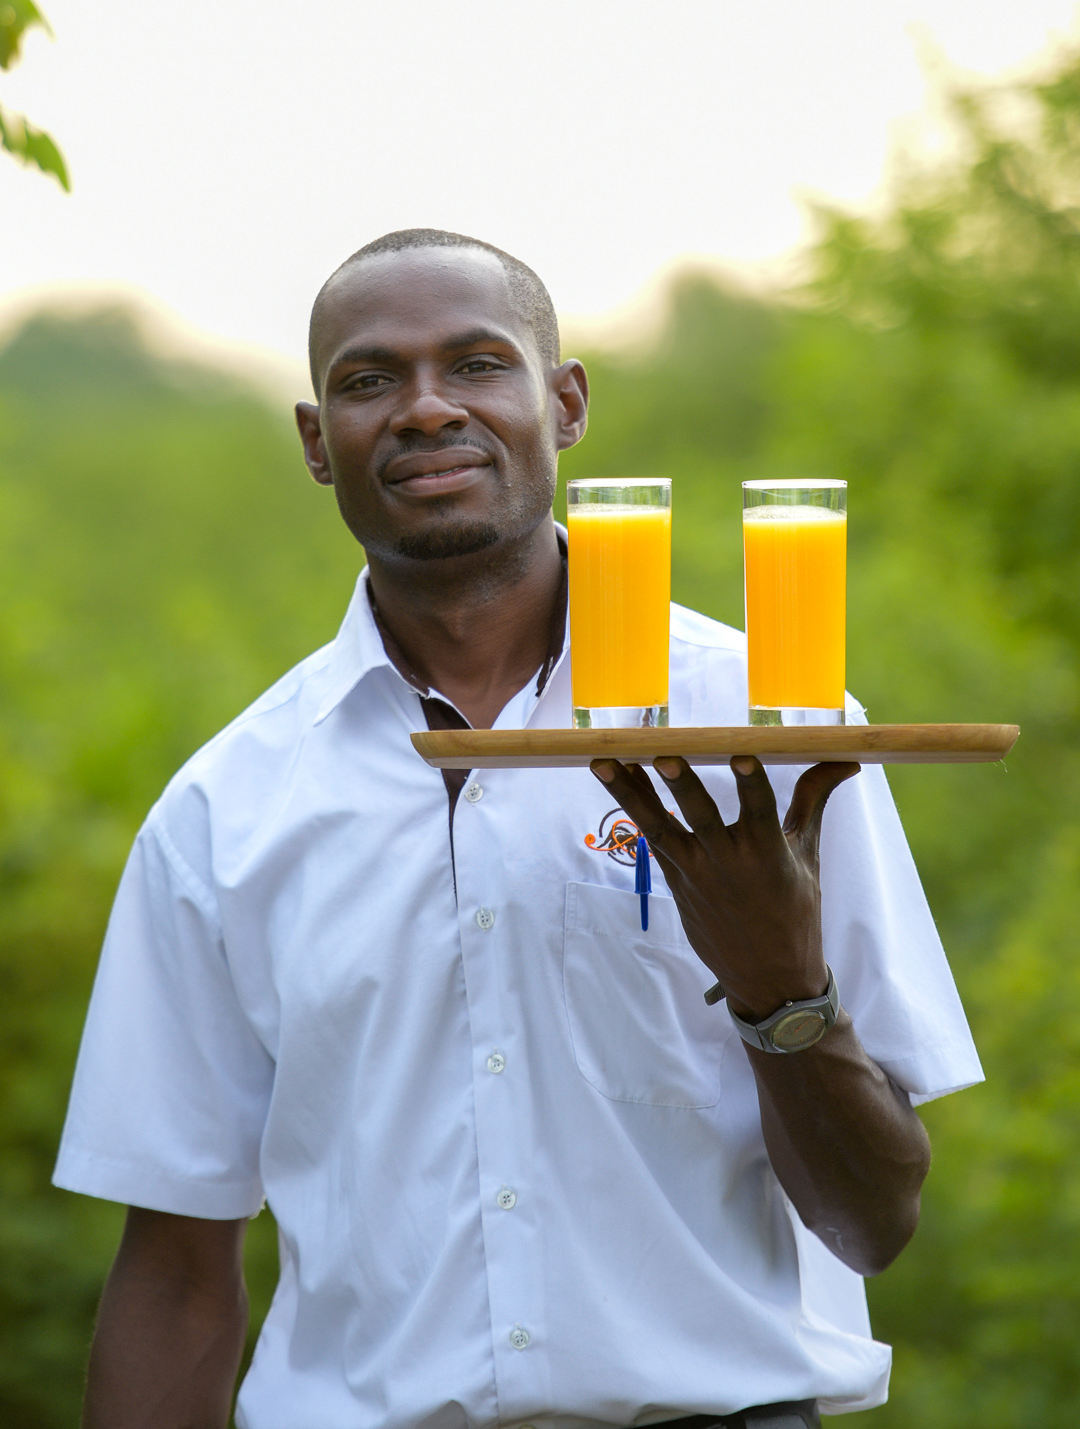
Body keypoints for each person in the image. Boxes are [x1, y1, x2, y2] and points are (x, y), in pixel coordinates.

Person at [55, 229, 982, 1429]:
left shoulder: (770, 736)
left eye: (477, 364)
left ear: (567, 402)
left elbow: (877, 1221)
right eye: (370, 379)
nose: (426, 409)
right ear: (313, 443)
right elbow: (176, 1282)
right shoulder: (224, 811)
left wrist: (779, 989)